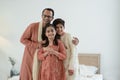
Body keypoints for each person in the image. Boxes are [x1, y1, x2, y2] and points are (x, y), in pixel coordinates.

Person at [19, 8, 54, 80]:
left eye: (49, 16)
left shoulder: (52, 30)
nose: (46, 18)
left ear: (52, 18)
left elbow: (60, 37)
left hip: (44, 59)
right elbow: (22, 39)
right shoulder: (33, 26)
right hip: (30, 57)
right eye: (45, 16)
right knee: (27, 76)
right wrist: (37, 45)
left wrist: (74, 42)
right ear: (42, 16)